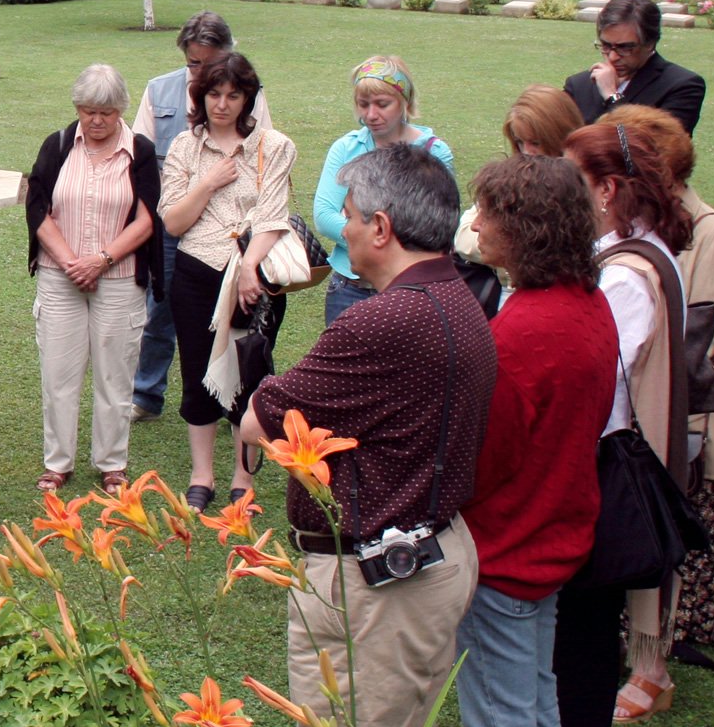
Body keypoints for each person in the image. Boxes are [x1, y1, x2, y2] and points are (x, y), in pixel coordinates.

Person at [239, 143, 498, 727]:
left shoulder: (384, 322)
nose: (341, 230)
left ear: (382, 228)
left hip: (378, 583)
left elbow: (258, 423)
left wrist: (259, 352)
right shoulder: (456, 296)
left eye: (349, 217)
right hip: (427, 553)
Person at [452, 155, 616, 727]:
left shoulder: (523, 331)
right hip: (555, 535)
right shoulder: (587, 302)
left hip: (507, 551)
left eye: (489, 212)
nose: (478, 224)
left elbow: (484, 460)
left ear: (528, 230)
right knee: (537, 705)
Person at [553, 118, 694, 727]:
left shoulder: (621, 277)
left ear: (607, 189)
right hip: (603, 465)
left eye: (571, 179)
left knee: (580, 636)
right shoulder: (650, 250)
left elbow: (596, 386)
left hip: (599, 470)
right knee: (582, 634)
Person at [606, 104, 714, 658]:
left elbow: (700, 339)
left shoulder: (712, 232)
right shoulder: (628, 233)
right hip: (637, 417)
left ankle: (652, 668)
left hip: (682, 419)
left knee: (666, 556)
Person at [158, 52, 295, 512]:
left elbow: (274, 217)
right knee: (198, 376)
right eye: (214, 94)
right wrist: (208, 183)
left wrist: (250, 269)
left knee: (248, 373)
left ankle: (242, 474)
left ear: (247, 98)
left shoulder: (274, 146)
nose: (222, 104)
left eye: (233, 95)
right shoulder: (184, 147)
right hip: (196, 274)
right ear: (201, 96)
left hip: (253, 277)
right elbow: (174, 221)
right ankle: (203, 475)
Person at [24, 65, 162, 496]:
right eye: (87, 111)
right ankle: (57, 464)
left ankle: (112, 464)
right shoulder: (58, 145)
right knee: (58, 376)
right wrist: (71, 262)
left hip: (119, 278)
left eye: (105, 112)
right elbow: (37, 209)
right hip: (59, 277)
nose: (96, 121)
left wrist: (100, 260)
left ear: (120, 109)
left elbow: (147, 219)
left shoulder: (139, 151)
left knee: (114, 377)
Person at [128, 14, 272, 422]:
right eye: (195, 64)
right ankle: (146, 393)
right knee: (161, 309)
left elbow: (263, 161)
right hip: (173, 224)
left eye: (212, 62)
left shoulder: (252, 94)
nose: (204, 74)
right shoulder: (159, 90)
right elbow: (141, 158)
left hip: (230, 230)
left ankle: (235, 400)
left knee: (236, 314)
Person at [313, 56, 452, 325]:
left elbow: (439, 227)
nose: (371, 115)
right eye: (363, 105)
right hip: (351, 288)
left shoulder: (434, 152)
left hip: (413, 290)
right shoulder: (346, 148)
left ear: (405, 102)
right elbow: (324, 215)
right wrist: (397, 242)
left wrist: (360, 231)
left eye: (382, 104)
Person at [455, 84, 583, 262]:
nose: (527, 153)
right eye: (520, 142)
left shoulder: (583, 185)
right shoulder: (515, 177)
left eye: (536, 143)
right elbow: (464, 237)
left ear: (560, 137)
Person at [563, 0, 705, 132]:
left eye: (624, 47)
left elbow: (655, 148)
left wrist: (612, 96)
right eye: (605, 45)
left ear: (649, 43)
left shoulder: (682, 86)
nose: (612, 57)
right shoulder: (578, 85)